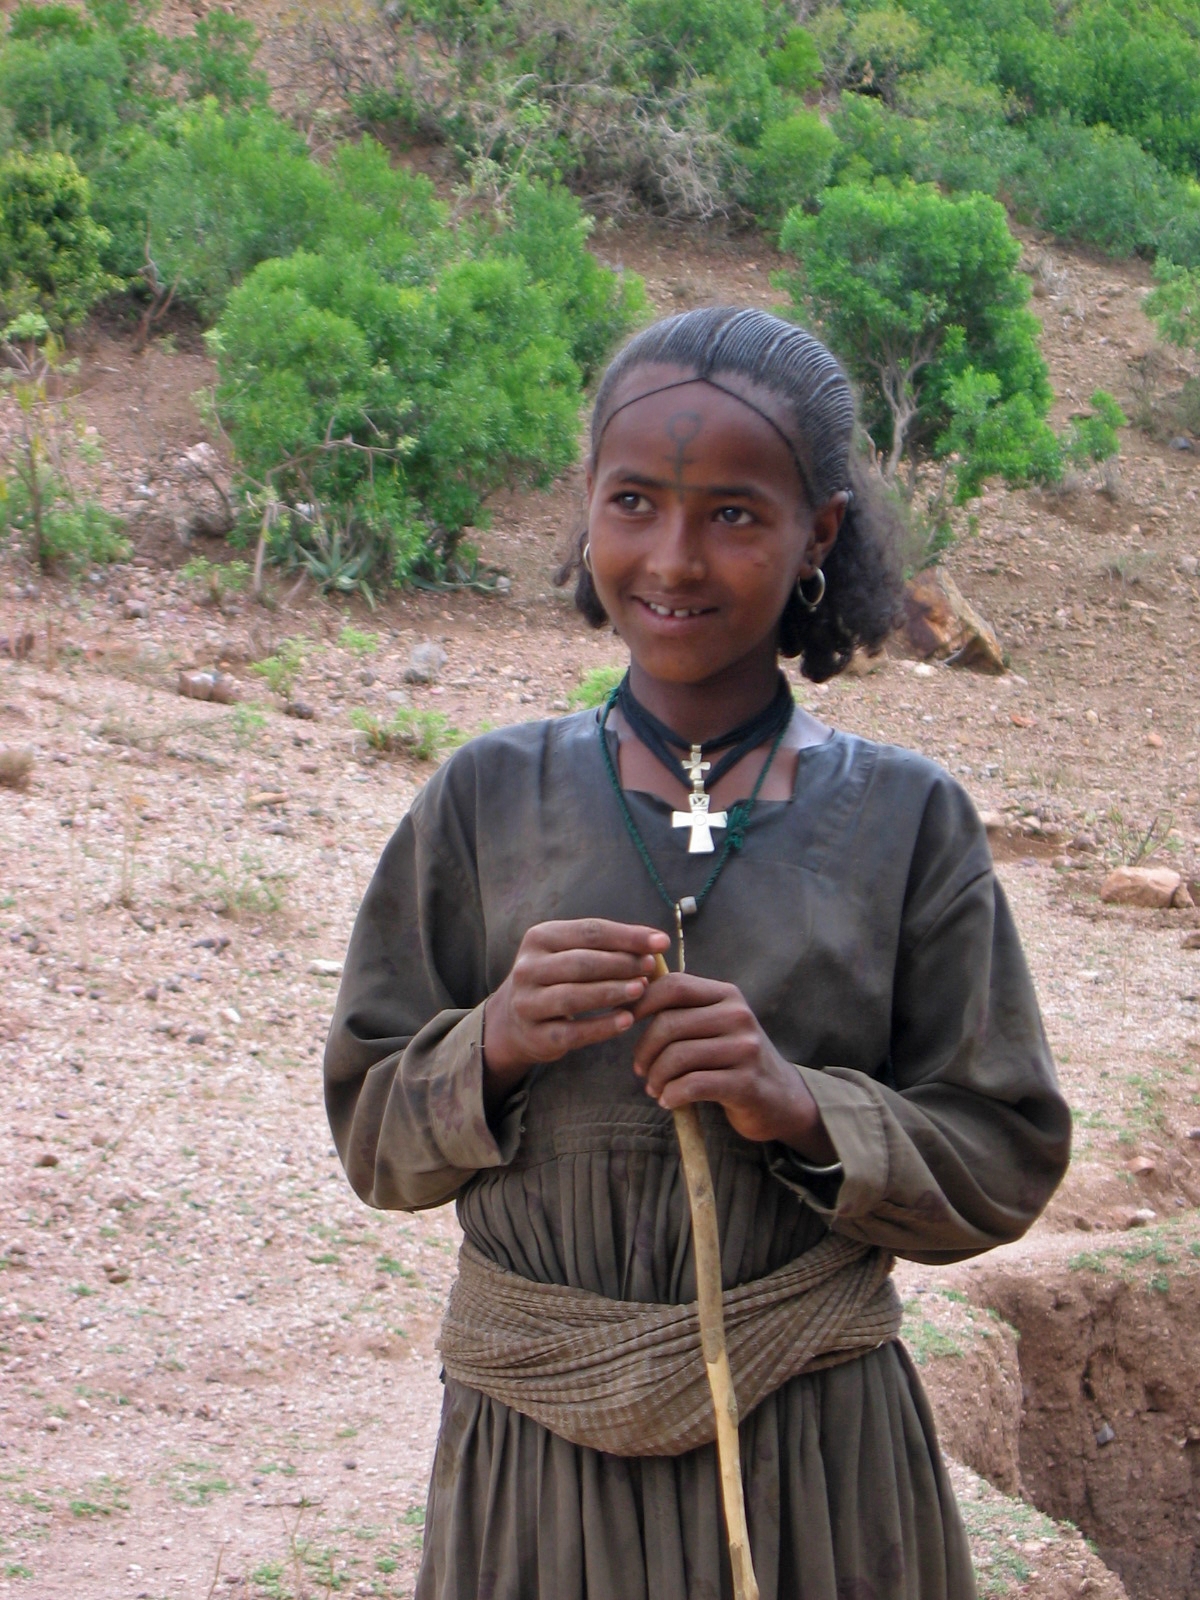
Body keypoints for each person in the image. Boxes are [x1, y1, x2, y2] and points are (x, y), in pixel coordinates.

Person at [324, 307, 1071, 1600]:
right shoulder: (483, 801)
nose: (672, 559)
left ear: (819, 536)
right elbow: (373, 1137)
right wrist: (491, 1042)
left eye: (733, 514)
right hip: (535, 1470)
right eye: (633, 503)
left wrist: (799, 1107)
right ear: (589, 511)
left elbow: (1003, 1154)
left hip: (817, 1469)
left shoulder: (906, 820)